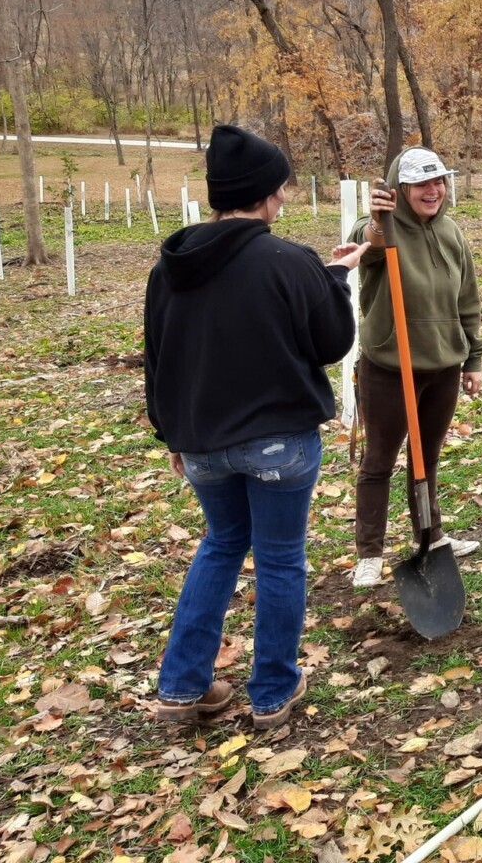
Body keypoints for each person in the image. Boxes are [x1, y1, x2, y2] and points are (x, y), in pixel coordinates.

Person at [146, 125, 366, 729]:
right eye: (281, 187)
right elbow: (331, 342)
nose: (285, 198)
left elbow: (158, 354)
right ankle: (272, 692)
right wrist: (337, 279)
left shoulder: (172, 265)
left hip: (203, 443)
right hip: (279, 442)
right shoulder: (286, 260)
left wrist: (172, 434)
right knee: (278, 558)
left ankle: (181, 687)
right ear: (266, 193)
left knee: (220, 545)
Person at [349, 148, 482, 589]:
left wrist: (474, 357)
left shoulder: (452, 232)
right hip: (389, 365)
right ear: (400, 188)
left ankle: (431, 535)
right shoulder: (382, 230)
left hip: (442, 364)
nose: (434, 191)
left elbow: (468, 299)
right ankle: (369, 552)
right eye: (422, 184)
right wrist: (375, 222)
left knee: (426, 459)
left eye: (439, 181)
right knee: (379, 460)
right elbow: (364, 245)